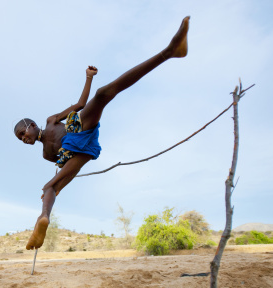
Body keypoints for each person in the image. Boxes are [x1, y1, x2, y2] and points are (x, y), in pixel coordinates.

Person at [14, 16, 190, 250]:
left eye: (23, 132)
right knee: (51, 188)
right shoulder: (46, 154)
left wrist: (88, 78)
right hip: (79, 153)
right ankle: (43, 217)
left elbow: (80, 104)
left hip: (79, 131)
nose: (24, 139)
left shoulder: (52, 120)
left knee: (102, 94)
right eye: (20, 139)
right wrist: (55, 182)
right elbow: (73, 166)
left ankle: (169, 51)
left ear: (32, 124)